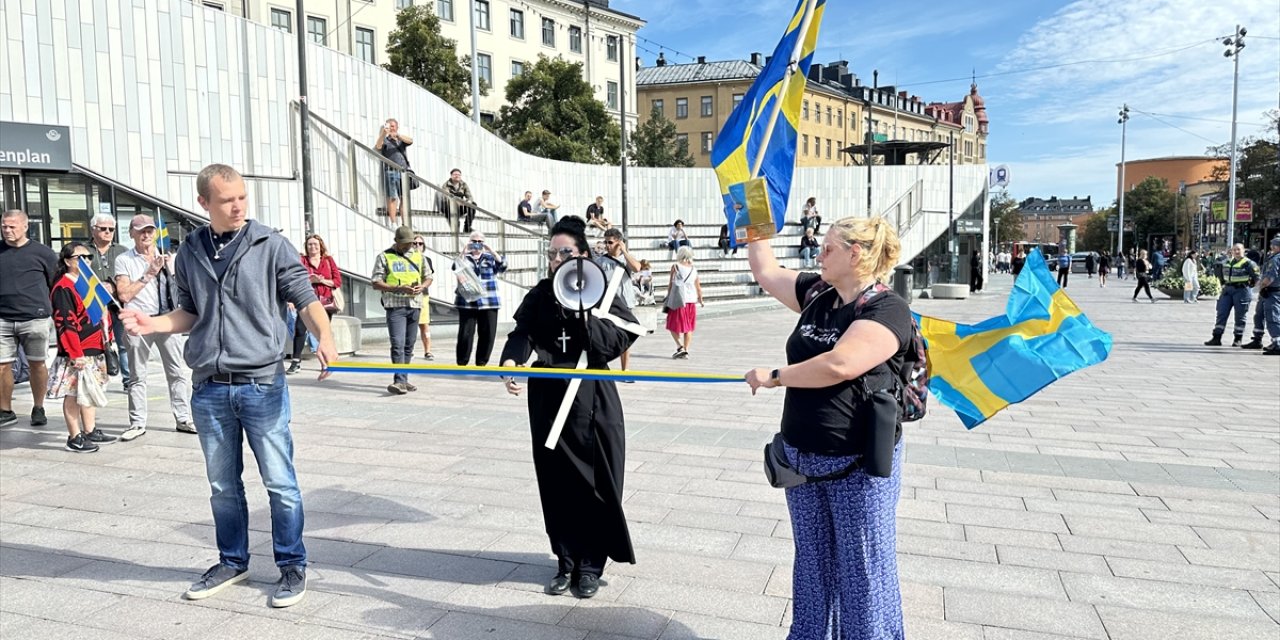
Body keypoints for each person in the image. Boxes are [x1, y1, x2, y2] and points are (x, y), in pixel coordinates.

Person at [120, 163, 337, 608]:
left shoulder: (271, 245)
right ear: (204, 203)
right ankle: (232, 560)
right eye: (226, 200)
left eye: (241, 196)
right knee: (222, 486)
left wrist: (325, 336)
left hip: (262, 385)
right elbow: (189, 313)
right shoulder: (189, 252)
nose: (237, 206)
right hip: (210, 388)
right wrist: (152, 322)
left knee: (280, 483)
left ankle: (292, 565)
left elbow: (306, 298)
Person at [743, 215, 913, 640]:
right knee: (813, 565)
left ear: (856, 254)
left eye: (828, 248)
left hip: (857, 468)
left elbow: (841, 364)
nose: (818, 253)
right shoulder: (820, 293)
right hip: (802, 460)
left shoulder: (887, 307)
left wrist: (776, 376)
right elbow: (765, 271)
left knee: (862, 571)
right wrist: (754, 207)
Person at [499, 216, 640, 599]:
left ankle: (591, 567)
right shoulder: (541, 294)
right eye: (551, 253)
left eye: (565, 252)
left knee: (594, 484)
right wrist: (511, 361)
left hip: (591, 399)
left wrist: (584, 316)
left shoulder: (604, 292)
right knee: (556, 482)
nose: (557, 259)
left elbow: (618, 339)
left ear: (582, 255)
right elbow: (522, 333)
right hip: (547, 400)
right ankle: (565, 562)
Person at [114, 214, 196, 440]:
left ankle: (183, 418)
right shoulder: (125, 260)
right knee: (137, 374)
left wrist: (172, 268)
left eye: (150, 230)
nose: (146, 235)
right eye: (140, 231)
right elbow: (123, 293)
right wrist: (149, 272)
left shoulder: (168, 257)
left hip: (167, 319)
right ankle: (137, 423)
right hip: (139, 321)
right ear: (131, 234)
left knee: (177, 372)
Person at [47, 242, 117, 452]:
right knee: (73, 394)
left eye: (88, 257)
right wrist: (75, 354)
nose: (86, 260)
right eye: (80, 257)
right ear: (68, 261)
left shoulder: (88, 282)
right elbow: (65, 323)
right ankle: (74, 436)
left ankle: (90, 429)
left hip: (95, 347)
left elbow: (103, 313)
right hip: (77, 351)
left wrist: (108, 339)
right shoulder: (63, 287)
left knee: (90, 390)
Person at [0, 209, 58, 428]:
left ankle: (38, 407)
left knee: (37, 364)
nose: (7, 230)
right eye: (4, 226)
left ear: (25, 226)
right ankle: (5, 410)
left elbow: (55, 283)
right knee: (2, 366)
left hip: (35, 318)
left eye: (12, 226)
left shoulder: (43, 253)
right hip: (3, 318)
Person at [371, 226, 426, 394]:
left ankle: (404, 379)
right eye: (405, 244)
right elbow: (375, 282)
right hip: (395, 306)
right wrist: (398, 288)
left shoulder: (418, 256)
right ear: (396, 242)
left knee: (409, 344)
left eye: (410, 243)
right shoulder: (384, 256)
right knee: (398, 344)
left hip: (415, 304)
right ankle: (399, 381)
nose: (408, 246)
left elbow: (428, 276)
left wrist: (422, 287)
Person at [86, 212, 131, 387]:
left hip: (118, 304)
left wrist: (112, 284)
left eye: (111, 229)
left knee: (124, 344)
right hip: (93, 305)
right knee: (95, 344)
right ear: (93, 229)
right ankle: (96, 379)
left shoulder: (121, 251)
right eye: (103, 228)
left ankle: (128, 380)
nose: (107, 232)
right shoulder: (84, 251)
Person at [287, 235, 342, 374]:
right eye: (310, 244)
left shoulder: (328, 261)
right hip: (306, 300)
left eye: (315, 244)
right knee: (300, 329)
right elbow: (296, 279)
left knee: (323, 333)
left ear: (321, 246)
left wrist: (321, 281)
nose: (313, 247)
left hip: (325, 302)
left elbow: (337, 281)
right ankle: (296, 361)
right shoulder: (302, 260)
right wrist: (311, 280)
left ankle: (326, 362)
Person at [454, 231, 507, 366]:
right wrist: (464, 251)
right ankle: (462, 361)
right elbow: (455, 267)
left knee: (488, 334)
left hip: (489, 300)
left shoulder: (489, 257)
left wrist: (490, 250)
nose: (476, 244)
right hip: (467, 301)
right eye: (474, 241)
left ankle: (482, 362)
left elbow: (502, 267)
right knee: (465, 333)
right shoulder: (464, 257)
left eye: (479, 241)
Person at [597, 228, 641, 374]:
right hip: (608, 304)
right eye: (606, 242)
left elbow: (637, 268)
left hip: (626, 302)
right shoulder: (601, 261)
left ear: (619, 243)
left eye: (610, 242)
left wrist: (624, 251)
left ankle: (625, 369)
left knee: (626, 334)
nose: (607, 245)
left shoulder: (626, 258)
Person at [1204, 243, 1258, 347]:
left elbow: (1257, 278)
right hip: (1227, 290)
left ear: (1243, 251)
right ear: (1231, 251)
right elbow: (1219, 274)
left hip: (1242, 290)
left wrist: (1252, 287)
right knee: (1221, 313)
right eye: (1234, 250)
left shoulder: (1249, 263)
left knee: (1240, 316)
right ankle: (1217, 337)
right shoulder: (1227, 262)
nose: (1236, 252)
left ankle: (1238, 338)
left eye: (1239, 249)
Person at [1242, 237, 1280, 354]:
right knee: (1259, 315)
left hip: (1271, 292)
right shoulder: (1273, 257)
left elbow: (1270, 277)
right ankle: (1257, 339)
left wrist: (1260, 288)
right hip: (1268, 292)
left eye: (1274, 245)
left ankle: (1277, 343)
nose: (1272, 247)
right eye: (1272, 244)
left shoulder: (1275, 259)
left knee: (1272, 317)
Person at [665, 246, 704, 359]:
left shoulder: (676, 266)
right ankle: (686, 350)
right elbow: (698, 286)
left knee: (672, 324)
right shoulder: (694, 269)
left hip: (679, 300)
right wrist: (700, 299)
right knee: (689, 327)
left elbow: (671, 284)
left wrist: (668, 296)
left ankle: (680, 346)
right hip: (691, 301)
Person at [376, 118, 413, 227]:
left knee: (404, 198)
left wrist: (398, 135)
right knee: (392, 197)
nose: (391, 128)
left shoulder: (401, 140)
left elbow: (410, 141)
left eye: (393, 126)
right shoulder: (385, 140)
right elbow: (378, 146)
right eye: (389, 126)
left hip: (404, 172)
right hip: (391, 171)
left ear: (397, 127)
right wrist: (383, 134)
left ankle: (404, 223)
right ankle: (393, 222)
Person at [413, 235, 436, 360]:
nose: (417, 246)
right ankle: (408, 350)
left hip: (422, 295)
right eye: (414, 243)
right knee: (409, 324)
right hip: (408, 295)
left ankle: (428, 351)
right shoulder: (404, 258)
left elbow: (428, 276)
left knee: (424, 324)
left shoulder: (426, 260)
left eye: (420, 244)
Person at [444, 168, 477, 234]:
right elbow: (446, 197)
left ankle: (467, 227)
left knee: (473, 205)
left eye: (459, 175)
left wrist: (468, 202)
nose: (457, 176)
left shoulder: (463, 184)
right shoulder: (446, 185)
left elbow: (469, 196)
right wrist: (456, 202)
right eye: (455, 174)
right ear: (451, 176)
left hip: (461, 206)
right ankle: (456, 227)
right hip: (450, 208)